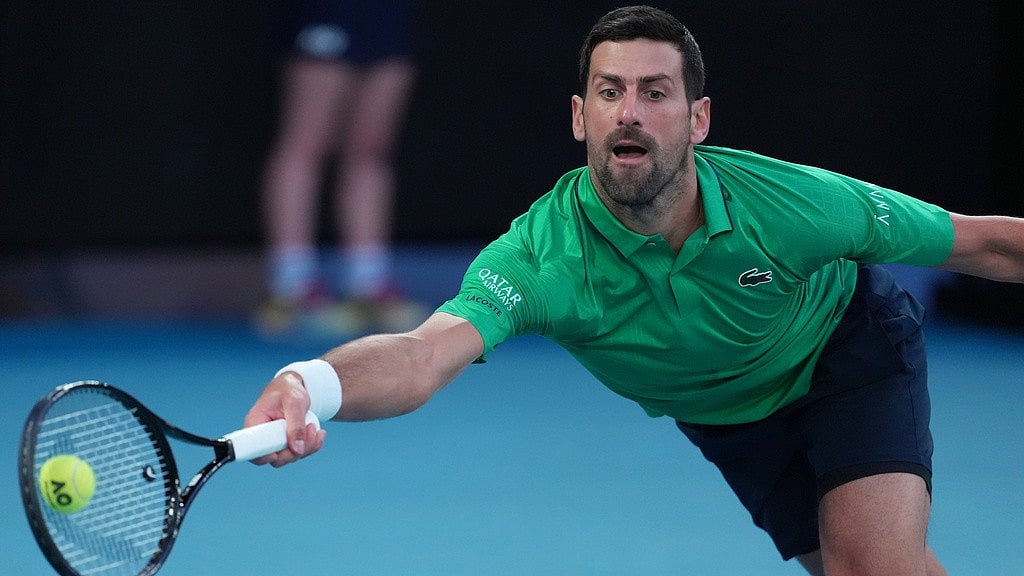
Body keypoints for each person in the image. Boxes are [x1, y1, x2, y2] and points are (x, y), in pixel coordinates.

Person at [244, 6, 1024, 575]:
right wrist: (311, 382)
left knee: (871, 568)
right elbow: (422, 357)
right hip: (728, 419)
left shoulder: (792, 206)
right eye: (610, 92)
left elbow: (985, 242)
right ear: (580, 117)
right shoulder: (542, 259)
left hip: (843, 354)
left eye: (656, 92)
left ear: (698, 119)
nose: (631, 113)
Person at [256, 0, 425, 336]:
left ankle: (369, 284)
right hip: (330, 10)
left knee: (372, 147)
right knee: (306, 141)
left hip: (387, 11)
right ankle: (292, 287)